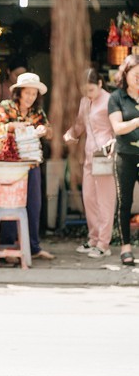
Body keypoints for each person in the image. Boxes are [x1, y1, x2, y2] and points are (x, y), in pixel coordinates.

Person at [0, 72, 55, 260]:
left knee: (33, 204)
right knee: (9, 203)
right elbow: (0, 127)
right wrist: (18, 126)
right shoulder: (7, 106)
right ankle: (8, 247)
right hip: (10, 165)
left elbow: (50, 131)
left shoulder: (37, 112)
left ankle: (33, 247)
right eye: (27, 93)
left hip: (31, 164)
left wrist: (44, 130)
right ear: (19, 92)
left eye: (34, 94)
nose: (30, 97)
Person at [63, 68, 115, 258]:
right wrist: (70, 133)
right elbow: (79, 124)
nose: (88, 94)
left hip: (105, 156)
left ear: (100, 84)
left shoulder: (110, 101)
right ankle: (93, 238)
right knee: (89, 198)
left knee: (105, 201)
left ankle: (104, 243)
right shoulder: (85, 101)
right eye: (85, 91)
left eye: (91, 90)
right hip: (89, 156)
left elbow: (116, 127)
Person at [108, 54, 139, 266]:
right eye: (135, 74)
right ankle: (125, 248)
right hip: (125, 155)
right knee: (125, 202)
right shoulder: (116, 97)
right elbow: (118, 128)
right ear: (125, 74)